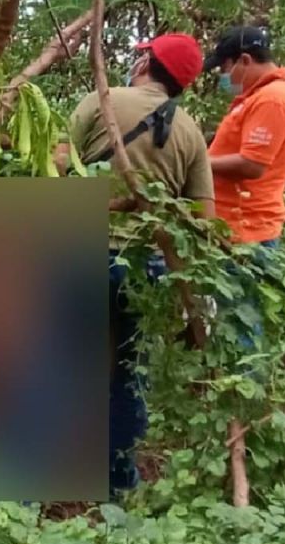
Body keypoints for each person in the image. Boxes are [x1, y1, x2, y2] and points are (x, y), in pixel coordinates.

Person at [69, 32, 216, 496]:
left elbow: (55, 167)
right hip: (146, 268)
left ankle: (15, 495)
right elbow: (203, 220)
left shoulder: (102, 101)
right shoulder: (191, 133)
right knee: (126, 374)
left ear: (146, 64)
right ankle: (115, 487)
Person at [203, 25, 285, 350]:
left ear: (244, 60)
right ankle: (225, 388)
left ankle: (243, 393)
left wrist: (198, 163)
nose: (223, 75)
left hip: (246, 230)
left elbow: (253, 165)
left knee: (240, 321)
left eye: (224, 68)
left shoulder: (273, 100)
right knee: (227, 319)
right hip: (231, 224)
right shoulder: (259, 97)